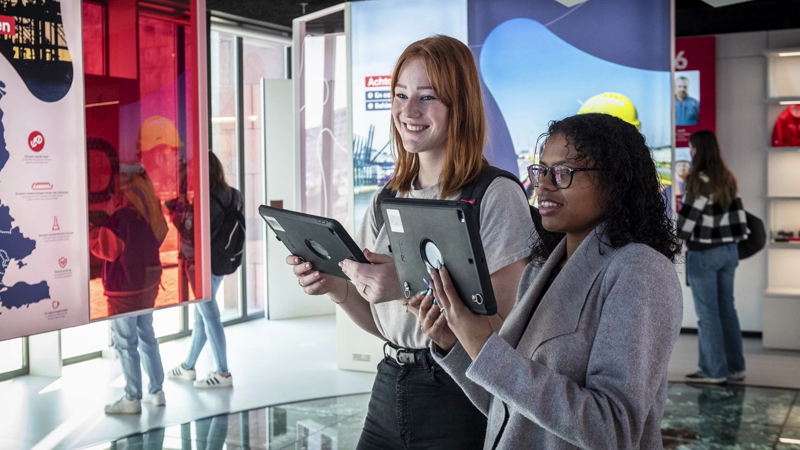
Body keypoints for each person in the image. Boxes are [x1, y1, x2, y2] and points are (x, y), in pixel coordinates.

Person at [286, 35, 534, 449]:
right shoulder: (388, 197)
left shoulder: (495, 195)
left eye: (427, 97)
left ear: (461, 106)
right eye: (400, 95)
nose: (408, 111)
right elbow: (379, 320)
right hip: (389, 383)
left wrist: (404, 286)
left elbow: (500, 338)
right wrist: (339, 289)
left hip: (459, 395)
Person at [414, 113, 684, 449]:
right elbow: (510, 409)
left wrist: (485, 346)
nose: (542, 185)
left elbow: (613, 430)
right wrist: (455, 345)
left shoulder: (639, 271)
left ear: (616, 181)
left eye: (563, 173)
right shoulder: (541, 269)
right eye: (541, 170)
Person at [90, 163, 168, 414]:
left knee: (125, 342)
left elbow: (106, 249)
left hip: (123, 289)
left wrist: (89, 231)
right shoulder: (149, 214)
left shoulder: (121, 218)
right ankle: (156, 391)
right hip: (148, 283)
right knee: (147, 334)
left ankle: (132, 398)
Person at [678, 130, 749, 384]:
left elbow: (687, 221)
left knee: (708, 314)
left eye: (692, 147)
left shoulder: (698, 179)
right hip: (729, 251)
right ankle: (735, 368)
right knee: (727, 309)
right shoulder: (727, 177)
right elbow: (739, 216)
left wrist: (678, 233)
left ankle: (713, 371)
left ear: (699, 150)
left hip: (705, 253)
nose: (691, 151)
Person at [168, 151, 240, 388]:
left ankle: (223, 373)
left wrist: (177, 214)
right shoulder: (232, 194)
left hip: (201, 264)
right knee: (202, 316)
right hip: (221, 262)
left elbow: (195, 234)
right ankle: (188, 366)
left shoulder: (206, 199)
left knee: (210, 316)